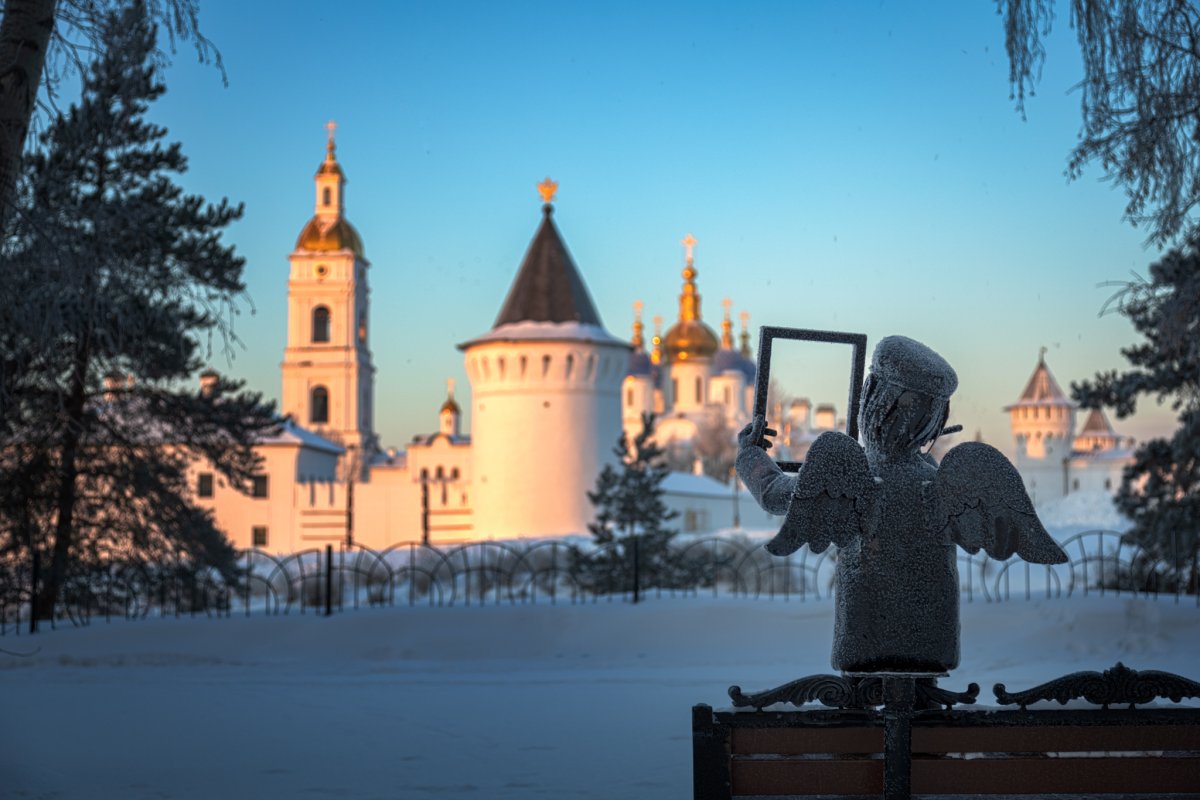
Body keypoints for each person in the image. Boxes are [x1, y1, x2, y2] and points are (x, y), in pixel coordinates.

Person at [736, 335, 1065, 673]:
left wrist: (750, 454)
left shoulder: (853, 472)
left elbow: (774, 494)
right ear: (936, 416)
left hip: (863, 644)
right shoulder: (944, 479)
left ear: (873, 399)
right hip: (935, 647)